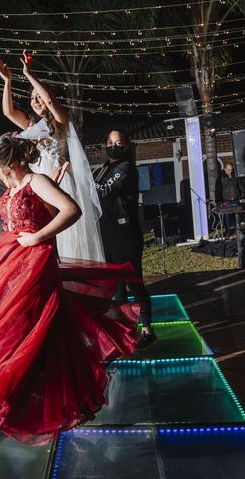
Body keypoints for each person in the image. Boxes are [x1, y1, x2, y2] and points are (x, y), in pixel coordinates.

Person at [0, 88, 141, 447]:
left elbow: (72, 211)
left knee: (18, 332)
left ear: (13, 164)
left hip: (34, 264)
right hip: (7, 264)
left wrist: (38, 238)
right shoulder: (15, 186)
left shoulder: (36, 180)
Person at [0, 51, 105, 262]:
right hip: (39, 183)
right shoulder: (30, 125)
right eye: (32, 98)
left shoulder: (60, 119)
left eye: (39, 97)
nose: (36, 101)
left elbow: (49, 99)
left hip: (60, 183)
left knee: (66, 237)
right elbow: (8, 112)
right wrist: (7, 81)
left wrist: (28, 74)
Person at [93, 130, 155, 350]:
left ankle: (147, 329)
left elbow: (104, 191)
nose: (113, 146)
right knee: (116, 285)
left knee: (133, 282)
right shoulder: (102, 169)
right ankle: (125, 328)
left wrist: (81, 176)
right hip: (107, 233)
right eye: (110, 142)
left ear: (127, 146)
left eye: (118, 142)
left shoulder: (126, 168)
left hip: (125, 233)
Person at [214, 162, 241, 236]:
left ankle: (238, 230)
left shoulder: (235, 176)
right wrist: (218, 201)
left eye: (231, 170)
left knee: (238, 215)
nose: (230, 171)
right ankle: (228, 231)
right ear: (225, 169)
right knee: (227, 216)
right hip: (226, 199)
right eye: (228, 170)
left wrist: (241, 194)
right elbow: (218, 190)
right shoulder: (220, 177)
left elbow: (239, 186)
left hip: (235, 198)